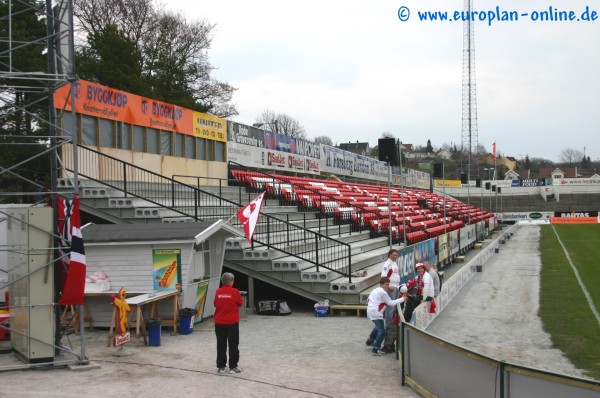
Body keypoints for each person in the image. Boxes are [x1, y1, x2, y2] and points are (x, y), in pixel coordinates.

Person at [365, 277, 406, 356]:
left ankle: (369, 341)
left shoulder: (374, 290)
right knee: (382, 332)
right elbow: (390, 303)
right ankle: (375, 349)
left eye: (388, 284)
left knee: (378, 327)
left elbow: (368, 299)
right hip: (376, 312)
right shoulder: (383, 292)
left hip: (370, 311)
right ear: (381, 284)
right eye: (385, 284)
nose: (387, 286)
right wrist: (402, 299)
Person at [214, 272, 244, 374]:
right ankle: (233, 367)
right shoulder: (235, 291)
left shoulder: (218, 291)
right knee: (233, 344)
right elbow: (240, 303)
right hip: (232, 322)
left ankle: (221, 367)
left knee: (221, 344)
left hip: (219, 322)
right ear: (231, 281)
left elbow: (215, 304)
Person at [381, 249, 400, 353]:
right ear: (389, 255)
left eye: (396, 255)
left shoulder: (394, 263)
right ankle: (387, 344)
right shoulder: (387, 264)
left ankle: (372, 339)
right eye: (394, 255)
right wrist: (390, 286)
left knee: (393, 313)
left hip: (395, 289)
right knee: (390, 314)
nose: (395, 256)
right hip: (392, 290)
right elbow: (384, 277)